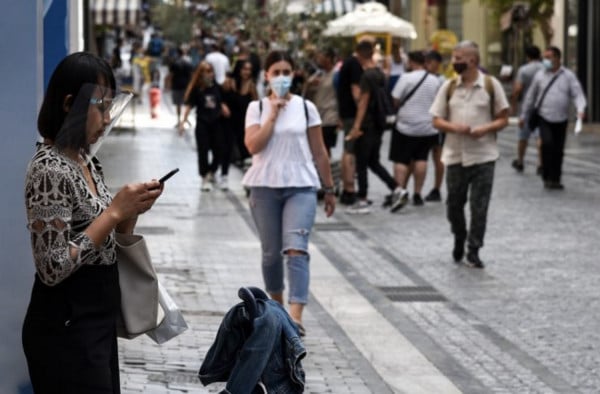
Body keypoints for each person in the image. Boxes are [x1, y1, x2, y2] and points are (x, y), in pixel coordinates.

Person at [22, 52, 163, 393]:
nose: (107, 117)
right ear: (70, 104)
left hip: (95, 322)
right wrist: (113, 213)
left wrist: (127, 218)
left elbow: (101, 240)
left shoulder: (85, 160)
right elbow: (51, 267)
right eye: (101, 105)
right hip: (65, 328)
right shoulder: (49, 170)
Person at [243, 50, 336, 336]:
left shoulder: (307, 107)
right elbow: (253, 146)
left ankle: (295, 316)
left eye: (287, 71)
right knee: (271, 254)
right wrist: (273, 114)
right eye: (276, 72)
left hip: (302, 185)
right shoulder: (256, 108)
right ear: (267, 75)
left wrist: (330, 188)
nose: (282, 77)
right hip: (264, 186)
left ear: (294, 74)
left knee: (297, 249)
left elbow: (319, 151)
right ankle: (278, 307)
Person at [430, 41, 509, 268]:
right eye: (454, 58)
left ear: (473, 61)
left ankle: (474, 249)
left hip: (484, 156)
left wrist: (485, 129)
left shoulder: (491, 86)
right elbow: (436, 120)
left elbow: (503, 117)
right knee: (454, 205)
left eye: (458, 58)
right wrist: (455, 128)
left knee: (479, 206)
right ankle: (459, 235)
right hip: (455, 156)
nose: (454, 62)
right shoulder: (449, 87)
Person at [345, 40, 401, 214]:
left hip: (367, 124)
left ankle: (362, 199)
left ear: (360, 55)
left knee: (362, 162)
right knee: (373, 162)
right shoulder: (380, 73)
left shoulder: (367, 76)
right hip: (379, 123)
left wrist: (356, 126)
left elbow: (363, 102)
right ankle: (397, 189)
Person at [520, 46, 587, 189]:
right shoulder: (540, 75)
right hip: (544, 116)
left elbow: (577, 93)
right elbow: (530, 96)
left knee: (558, 149)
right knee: (547, 144)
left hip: (562, 118)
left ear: (557, 58)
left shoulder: (568, 76)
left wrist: (580, 109)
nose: (546, 60)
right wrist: (523, 114)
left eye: (549, 57)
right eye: (545, 57)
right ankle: (546, 175)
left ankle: (555, 178)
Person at [389, 50, 441, 212]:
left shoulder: (405, 78)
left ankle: (400, 191)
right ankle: (418, 193)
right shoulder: (434, 80)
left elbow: (395, 98)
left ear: (411, 62)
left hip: (406, 126)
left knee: (401, 160)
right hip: (427, 127)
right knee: (421, 159)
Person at [179, 61, 230, 191]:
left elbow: (222, 100)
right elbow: (189, 106)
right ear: (201, 73)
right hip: (202, 123)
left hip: (216, 123)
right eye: (207, 71)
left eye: (211, 71)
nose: (210, 74)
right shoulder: (197, 89)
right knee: (203, 151)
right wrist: (182, 123)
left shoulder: (217, 87)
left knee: (219, 150)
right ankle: (205, 177)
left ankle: (212, 171)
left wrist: (223, 107)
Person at [336, 40, 369, 205]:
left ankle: (347, 188)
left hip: (345, 112)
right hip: (352, 114)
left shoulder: (347, 63)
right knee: (350, 151)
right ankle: (349, 189)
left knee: (347, 150)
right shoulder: (355, 65)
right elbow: (357, 93)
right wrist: (363, 112)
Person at [510, 46, 545, 174]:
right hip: (542, 107)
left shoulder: (524, 70)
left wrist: (513, 103)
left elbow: (518, 88)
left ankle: (520, 161)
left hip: (527, 107)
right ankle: (541, 163)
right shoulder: (545, 69)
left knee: (523, 136)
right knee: (540, 136)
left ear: (527, 56)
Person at [303, 47, 339, 158]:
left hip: (330, 116)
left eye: (320, 56)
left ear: (328, 58)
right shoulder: (318, 74)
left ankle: (326, 172)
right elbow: (305, 94)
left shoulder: (337, 75)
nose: (318, 59)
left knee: (325, 147)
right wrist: (309, 84)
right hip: (317, 116)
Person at [423, 50, 446, 202]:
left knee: (437, 157)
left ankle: (436, 188)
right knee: (420, 158)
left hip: (434, 124)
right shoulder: (440, 80)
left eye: (430, 62)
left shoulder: (441, 81)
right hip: (427, 123)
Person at [231, 60, 258, 168]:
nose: (247, 72)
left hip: (246, 122)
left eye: (249, 69)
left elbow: (256, 103)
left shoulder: (251, 85)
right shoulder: (231, 83)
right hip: (232, 122)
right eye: (244, 69)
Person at [166, 48, 193, 127]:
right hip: (186, 86)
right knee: (187, 103)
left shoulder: (174, 63)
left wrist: (168, 85)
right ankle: (185, 119)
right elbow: (192, 76)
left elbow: (171, 75)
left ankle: (179, 120)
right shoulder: (189, 63)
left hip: (176, 85)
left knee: (178, 104)